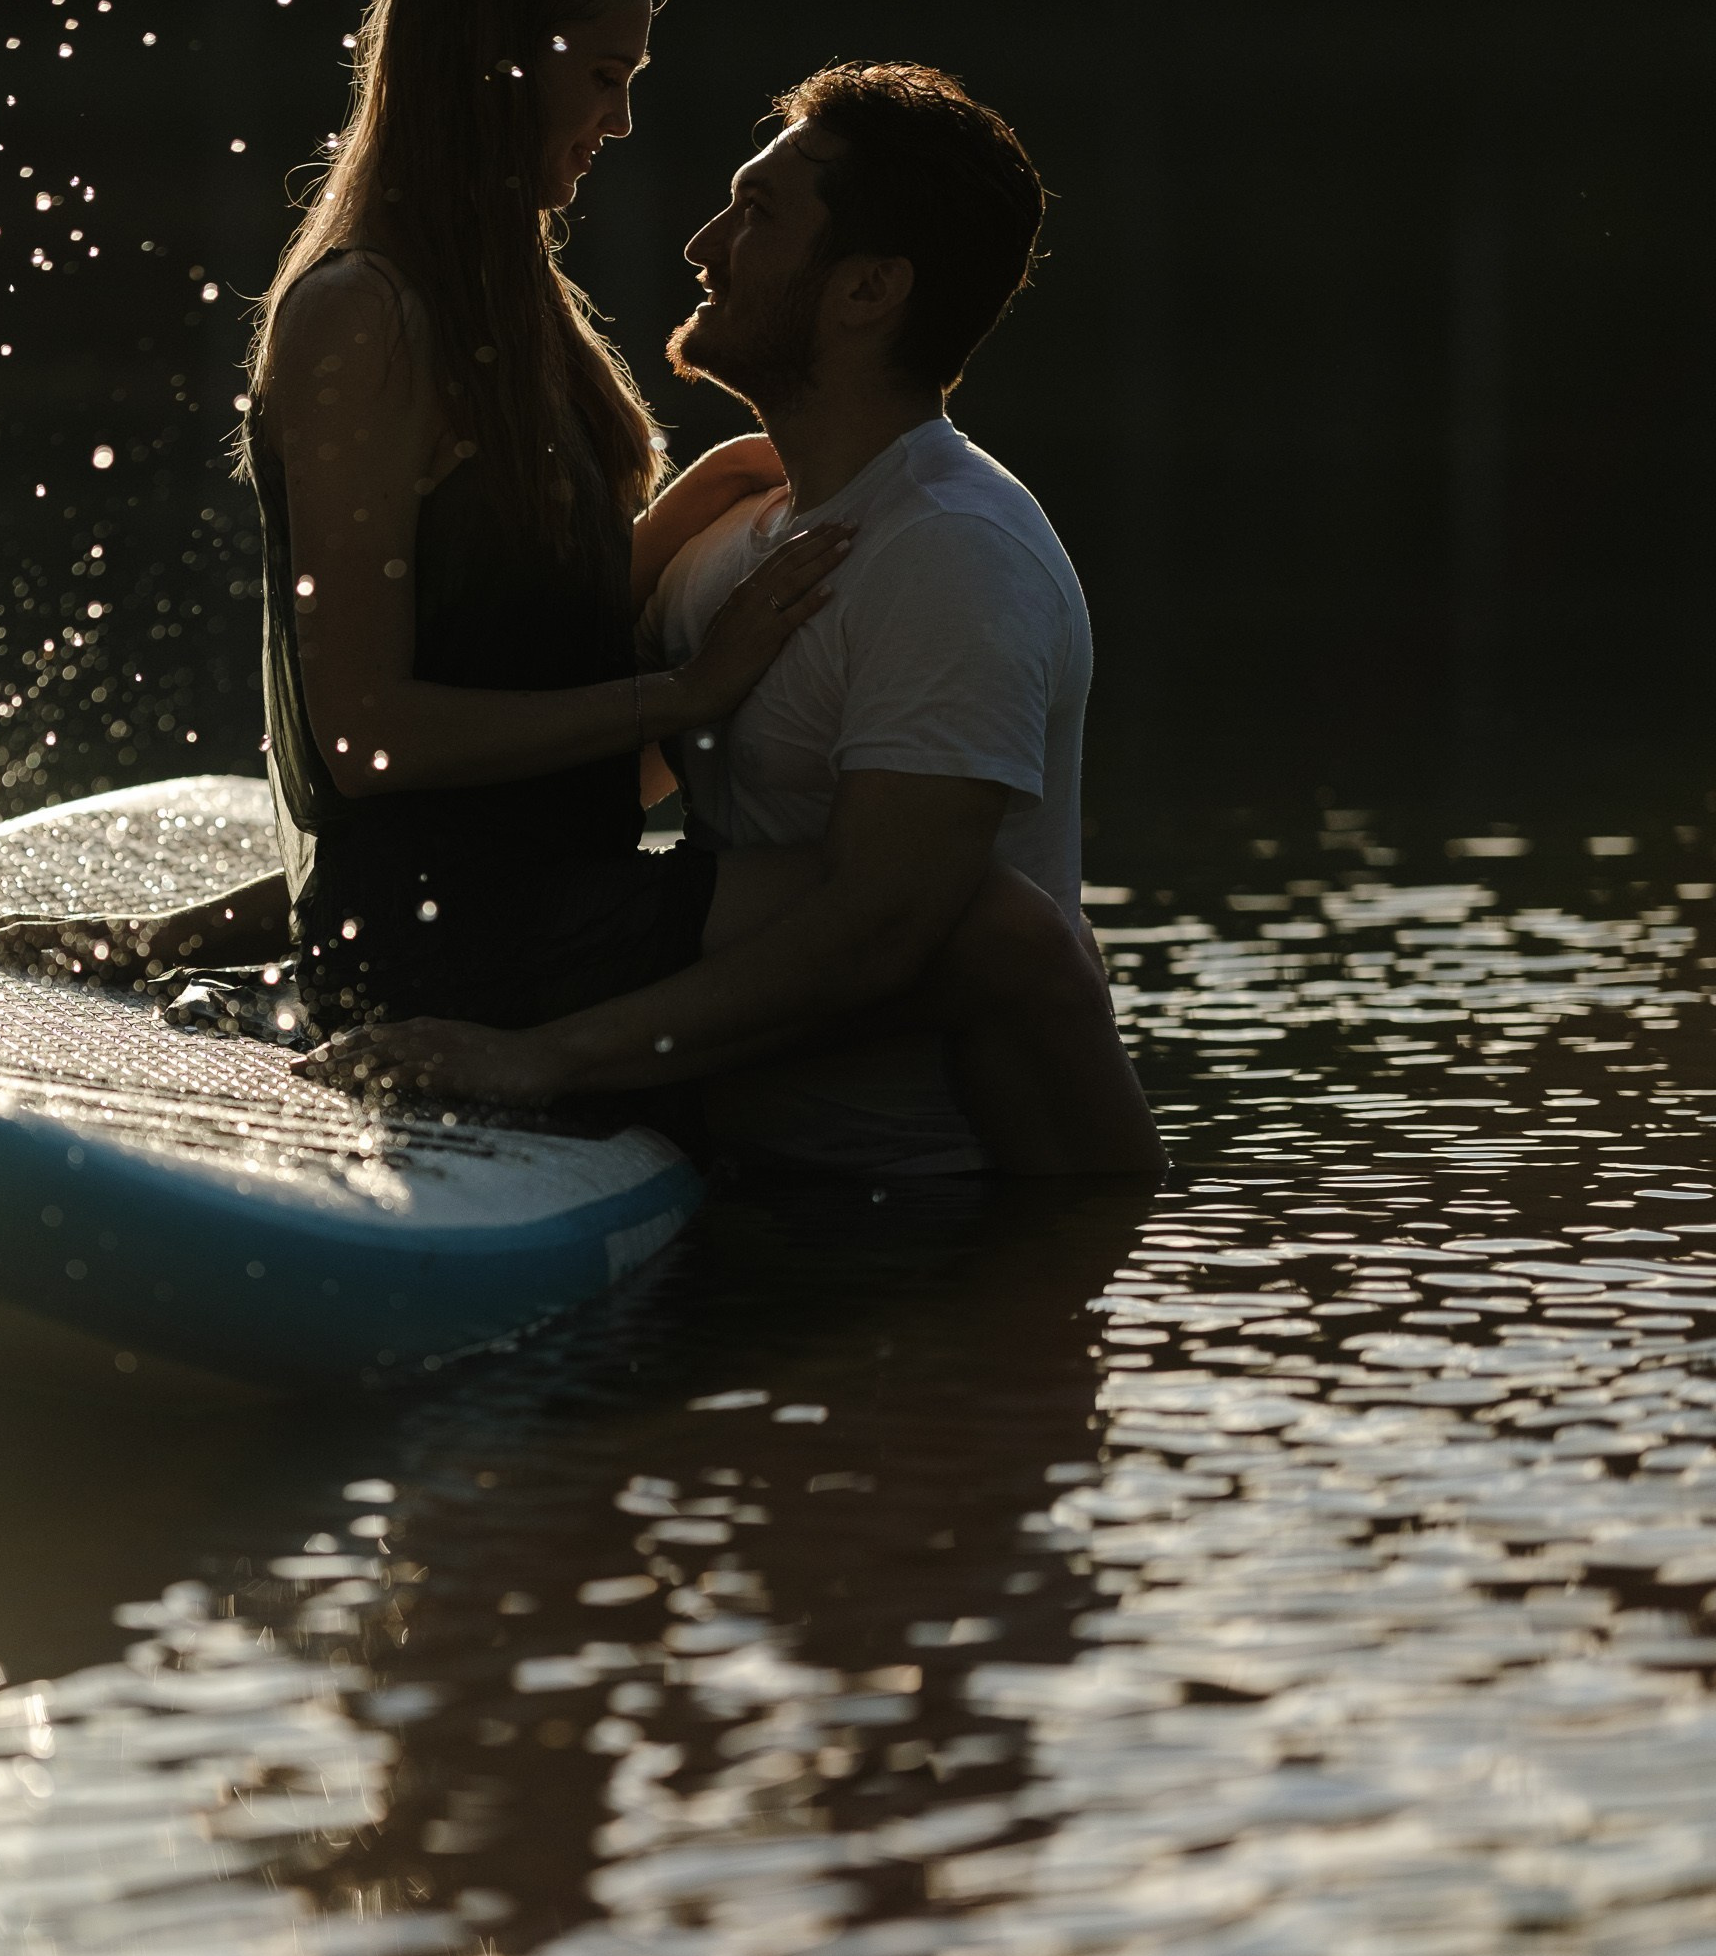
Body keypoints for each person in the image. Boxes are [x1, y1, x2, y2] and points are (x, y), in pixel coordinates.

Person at [0, 0, 852, 1026]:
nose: (621, 122)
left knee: (920, 892)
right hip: (451, 954)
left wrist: (707, 500)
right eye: (603, 77)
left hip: (530, 899)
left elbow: (509, 634)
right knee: (929, 907)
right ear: (498, 65)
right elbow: (367, 741)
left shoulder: (514, 295)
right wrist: (685, 690)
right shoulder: (363, 316)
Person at [295, 60, 1164, 1181]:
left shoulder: (951, 556)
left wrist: (541, 1059)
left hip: (909, 1216)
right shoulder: (740, 538)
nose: (704, 242)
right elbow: (529, 804)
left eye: (756, 216)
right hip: (711, 1167)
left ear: (866, 292)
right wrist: (210, 933)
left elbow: (889, 928)